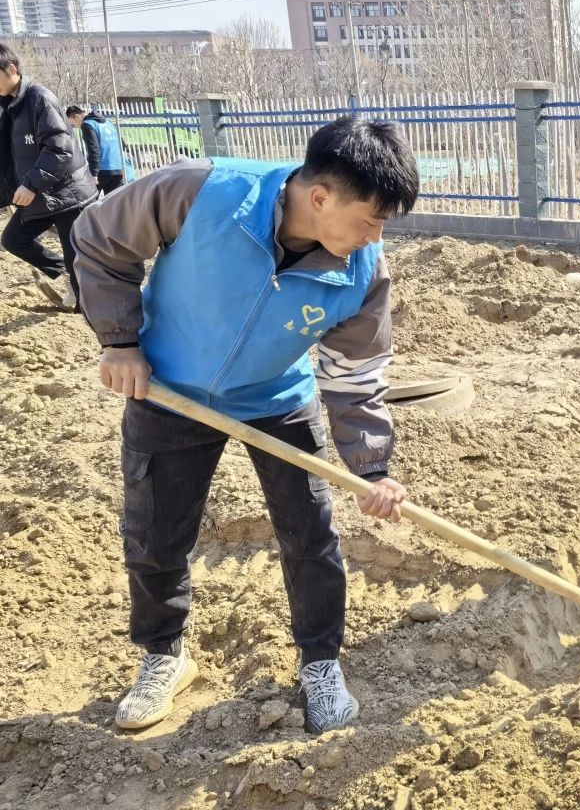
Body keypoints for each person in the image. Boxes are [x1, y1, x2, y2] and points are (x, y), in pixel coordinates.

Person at [73, 116, 419, 735]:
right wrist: (119, 341)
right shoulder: (202, 190)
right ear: (321, 197)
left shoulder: (362, 270)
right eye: (371, 220)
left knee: (310, 535)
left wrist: (372, 467)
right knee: (155, 534)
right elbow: (99, 236)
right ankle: (164, 655)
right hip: (170, 391)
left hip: (276, 397)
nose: (376, 236)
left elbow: (355, 372)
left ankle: (320, 663)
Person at [0, 43, 97, 312]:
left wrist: (31, 184)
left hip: (67, 194)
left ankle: (90, 315)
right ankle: (64, 272)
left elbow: (59, 148)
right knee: (13, 240)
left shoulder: (38, 98)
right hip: (40, 195)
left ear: (12, 69)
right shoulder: (9, 107)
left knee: (77, 260)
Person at [66, 105, 129, 195]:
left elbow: (93, 150)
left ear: (77, 116)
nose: (75, 126)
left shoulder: (87, 125)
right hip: (118, 169)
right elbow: (122, 145)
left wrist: (94, 173)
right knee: (113, 201)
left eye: (73, 123)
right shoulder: (109, 123)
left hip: (102, 170)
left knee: (91, 200)